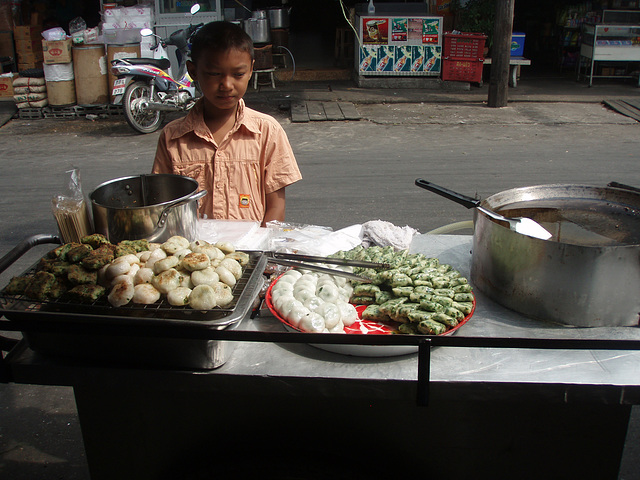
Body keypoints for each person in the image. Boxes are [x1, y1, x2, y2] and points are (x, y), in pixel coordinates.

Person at [152, 21, 302, 227]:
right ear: (193, 71)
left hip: (252, 251)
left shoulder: (267, 131)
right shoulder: (172, 137)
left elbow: (275, 207)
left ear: (251, 69)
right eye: (214, 74)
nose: (227, 85)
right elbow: (163, 205)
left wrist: (263, 249)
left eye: (238, 74)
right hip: (194, 254)